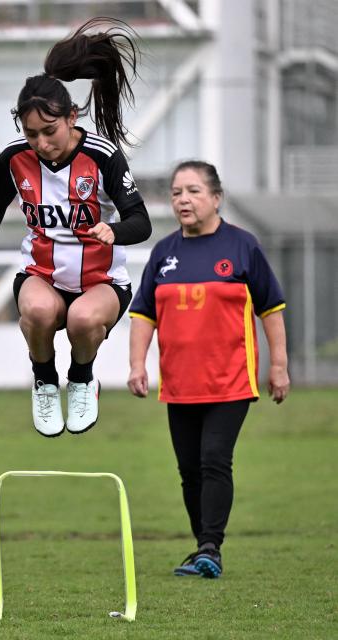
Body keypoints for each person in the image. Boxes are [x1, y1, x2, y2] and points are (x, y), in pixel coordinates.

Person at [0, 18, 151, 438]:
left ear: (72, 117)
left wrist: (113, 230)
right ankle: (44, 380)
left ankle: (81, 379)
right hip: (41, 275)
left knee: (81, 319)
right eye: (31, 133)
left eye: (50, 131)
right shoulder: (13, 158)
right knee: (39, 311)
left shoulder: (103, 155)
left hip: (101, 281)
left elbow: (141, 221)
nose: (41, 142)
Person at [127, 160, 290, 578]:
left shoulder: (242, 246)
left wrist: (280, 367)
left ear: (216, 198)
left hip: (230, 380)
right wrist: (136, 365)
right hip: (179, 384)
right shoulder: (164, 253)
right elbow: (143, 314)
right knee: (188, 470)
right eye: (177, 192)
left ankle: (210, 547)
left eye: (194, 191)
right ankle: (204, 548)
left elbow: (271, 309)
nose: (184, 199)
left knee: (215, 458)